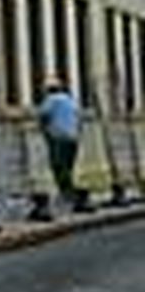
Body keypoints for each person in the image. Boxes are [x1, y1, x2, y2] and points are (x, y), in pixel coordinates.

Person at [37, 76, 81, 205]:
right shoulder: (70, 100)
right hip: (73, 138)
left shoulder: (51, 100)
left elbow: (43, 115)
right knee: (68, 166)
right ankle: (69, 191)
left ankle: (67, 193)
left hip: (59, 138)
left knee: (58, 165)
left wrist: (45, 130)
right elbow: (78, 119)